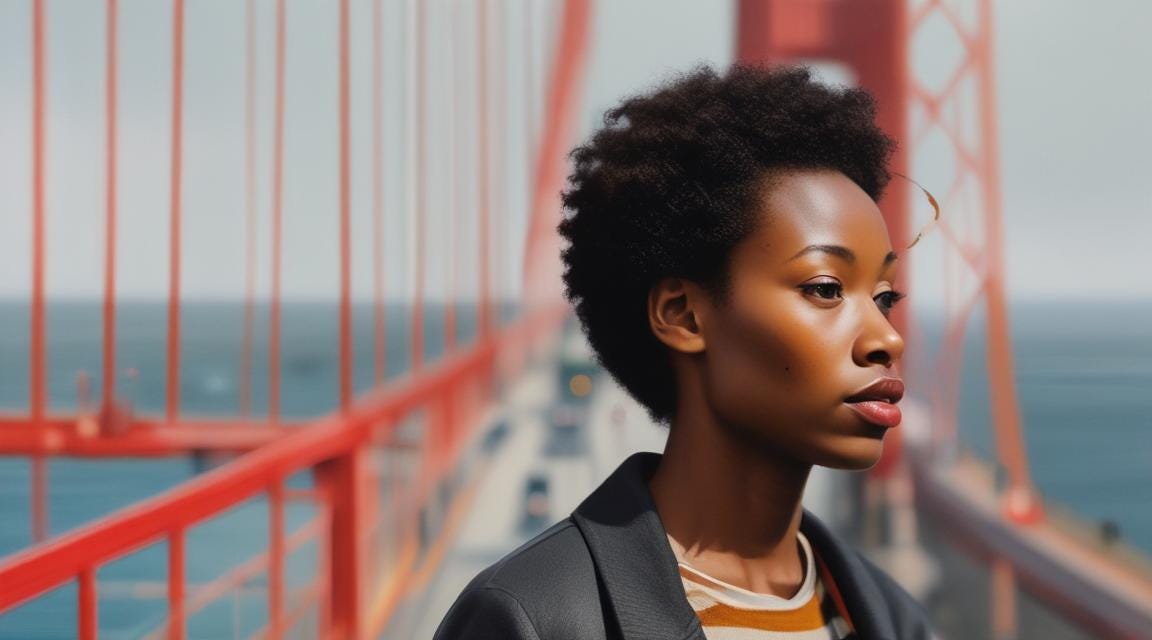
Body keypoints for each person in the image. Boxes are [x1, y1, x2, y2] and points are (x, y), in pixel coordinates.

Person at [434, 63, 936, 639]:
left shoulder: (895, 621)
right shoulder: (530, 620)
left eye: (885, 297)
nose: (887, 338)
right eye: (825, 289)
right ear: (681, 314)